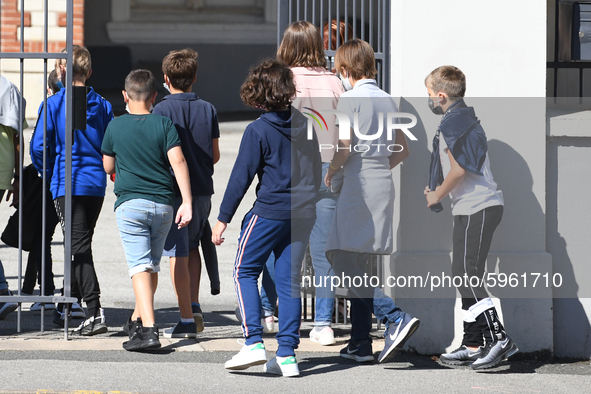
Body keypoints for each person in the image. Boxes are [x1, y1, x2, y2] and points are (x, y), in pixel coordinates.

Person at [212, 59, 321, 377]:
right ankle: (287, 355)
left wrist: (222, 219)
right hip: (303, 213)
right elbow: (315, 171)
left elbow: (239, 178)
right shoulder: (306, 124)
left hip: (269, 212)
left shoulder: (257, 129)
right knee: (289, 282)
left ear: (258, 91)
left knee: (244, 271)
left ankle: (253, 343)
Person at [324, 39, 419, 364]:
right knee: (360, 262)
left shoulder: (350, 99)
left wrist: (332, 170)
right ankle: (360, 342)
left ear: (347, 69)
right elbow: (403, 150)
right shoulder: (389, 100)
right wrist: (378, 166)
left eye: (339, 70)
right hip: (382, 183)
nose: (339, 75)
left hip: (358, 185)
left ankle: (394, 316)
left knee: (340, 256)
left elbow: (345, 144)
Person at [424, 65, 518, 370]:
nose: (429, 101)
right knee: (462, 273)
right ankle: (473, 341)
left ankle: (499, 338)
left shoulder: (454, 125)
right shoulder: (462, 118)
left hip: (479, 205)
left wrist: (436, 194)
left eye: (429, 96)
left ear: (441, 96)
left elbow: (460, 170)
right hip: (470, 207)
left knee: (468, 273)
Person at [102, 69, 193, 351]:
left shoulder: (115, 126)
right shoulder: (164, 124)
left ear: (124, 95)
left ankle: (149, 330)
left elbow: (108, 166)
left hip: (131, 205)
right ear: (154, 96)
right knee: (151, 265)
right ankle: (136, 318)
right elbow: (178, 162)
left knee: (139, 266)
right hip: (164, 205)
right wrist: (187, 202)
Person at [30, 45, 114, 334]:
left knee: (78, 247)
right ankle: (67, 304)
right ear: (89, 72)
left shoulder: (53, 105)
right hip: (95, 186)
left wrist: (49, 172)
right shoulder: (103, 105)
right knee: (79, 244)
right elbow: (110, 143)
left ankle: (93, 309)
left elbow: (39, 147)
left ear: (60, 70)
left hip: (67, 183)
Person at [277, 20, 345, 345]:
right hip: (329, 168)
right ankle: (323, 324)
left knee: (282, 244)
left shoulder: (283, 81)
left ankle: (274, 313)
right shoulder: (334, 82)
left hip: (293, 169)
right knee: (322, 252)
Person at [152, 48, 220, 338]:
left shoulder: (160, 110)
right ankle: (193, 302)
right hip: (203, 189)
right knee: (193, 246)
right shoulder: (208, 108)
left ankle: (185, 317)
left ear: (166, 78)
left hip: (173, 190)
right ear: (194, 78)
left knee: (175, 253)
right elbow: (215, 155)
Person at [22, 70, 60, 312]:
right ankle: (71, 293)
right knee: (76, 239)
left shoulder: (48, 106)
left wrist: (43, 170)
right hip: (77, 178)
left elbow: (37, 145)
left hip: (50, 177)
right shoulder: (88, 103)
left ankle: (46, 292)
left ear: (48, 90)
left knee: (43, 235)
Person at [0, 75, 26, 320]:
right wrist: (17, 177)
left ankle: (1, 290)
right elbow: (18, 139)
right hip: (3, 169)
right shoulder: (9, 87)